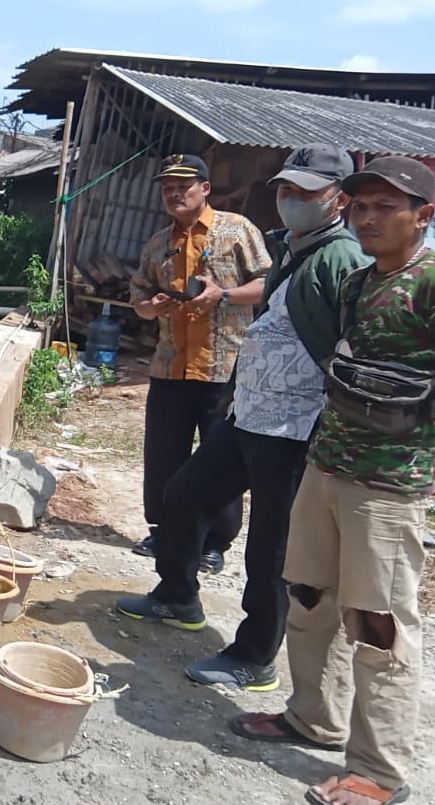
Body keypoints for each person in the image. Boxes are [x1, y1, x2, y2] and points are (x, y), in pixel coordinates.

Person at [229, 156, 435, 805]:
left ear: (422, 217)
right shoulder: (357, 281)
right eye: (360, 205)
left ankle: (378, 773)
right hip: (326, 466)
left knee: (378, 626)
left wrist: (423, 445)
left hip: (386, 491)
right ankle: (312, 717)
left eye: (386, 207)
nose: (368, 217)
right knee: (311, 599)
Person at [116, 145, 370, 693]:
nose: (290, 201)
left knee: (272, 546)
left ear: (339, 200)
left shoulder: (340, 259)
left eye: (306, 193)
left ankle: (255, 656)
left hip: (294, 425)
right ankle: (177, 596)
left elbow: (352, 348)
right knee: (183, 490)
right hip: (250, 411)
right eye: (285, 189)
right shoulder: (295, 249)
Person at [129, 154, 270, 569]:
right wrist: (151, 308)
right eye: (167, 188)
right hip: (170, 366)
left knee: (220, 459)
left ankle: (214, 542)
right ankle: (164, 532)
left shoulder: (237, 230)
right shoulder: (157, 243)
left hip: (223, 370)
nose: (174, 194)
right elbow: (138, 296)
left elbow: (268, 283)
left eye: (183, 186)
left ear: (205, 189)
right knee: (162, 457)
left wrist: (222, 295)